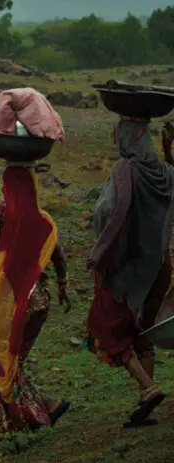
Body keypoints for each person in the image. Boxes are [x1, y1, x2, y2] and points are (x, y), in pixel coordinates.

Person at [0, 133, 71, 432]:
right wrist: (63, 286)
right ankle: (44, 407)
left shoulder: (6, 214)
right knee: (14, 361)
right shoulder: (45, 221)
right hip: (38, 302)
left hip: (8, 302)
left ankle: (6, 421)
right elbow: (59, 256)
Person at [87, 119, 174, 427]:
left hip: (128, 268)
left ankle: (149, 388)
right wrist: (168, 149)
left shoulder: (125, 170)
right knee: (143, 329)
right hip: (159, 267)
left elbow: (107, 209)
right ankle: (145, 403)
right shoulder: (163, 172)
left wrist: (102, 249)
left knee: (105, 327)